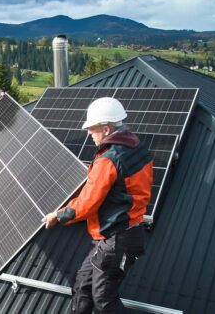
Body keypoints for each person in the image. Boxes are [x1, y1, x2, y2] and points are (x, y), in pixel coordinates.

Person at [43, 97, 153, 314]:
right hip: (114, 237)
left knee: (104, 300)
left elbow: (87, 204)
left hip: (119, 239)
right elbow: (122, 183)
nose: (88, 133)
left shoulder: (108, 160)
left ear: (106, 128)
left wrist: (57, 215)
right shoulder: (135, 146)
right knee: (82, 285)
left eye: (91, 128)